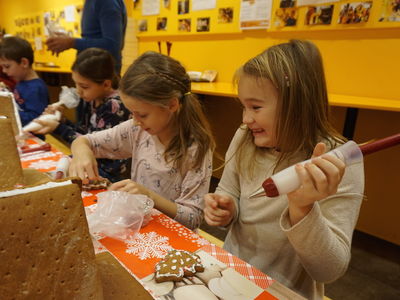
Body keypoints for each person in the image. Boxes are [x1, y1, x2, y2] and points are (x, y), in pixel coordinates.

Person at [203, 40, 364, 300]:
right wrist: (227, 206)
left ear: (297, 105)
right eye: (243, 107)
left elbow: (328, 270)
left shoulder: (340, 161)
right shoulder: (245, 136)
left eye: (255, 107)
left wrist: (302, 210)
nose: (245, 119)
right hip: (231, 275)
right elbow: (229, 190)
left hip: (285, 291)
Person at [69, 51, 215, 230]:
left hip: (173, 236)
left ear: (172, 105)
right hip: (140, 226)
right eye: (132, 113)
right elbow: (84, 141)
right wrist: (81, 153)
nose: (136, 121)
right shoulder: (137, 129)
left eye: (143, 114)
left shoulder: (196, 148)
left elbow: (193, 218)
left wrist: (149, 196)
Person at [32, 48, 131, 182]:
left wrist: (58, 128)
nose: (78, 91)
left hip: (110, 174)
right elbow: (84, 132)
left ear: (106, 84)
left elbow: (93, 145)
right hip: (94, 165)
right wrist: (62, 120)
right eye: (76, 84)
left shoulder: (115, 106)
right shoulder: (92, 99)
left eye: (84, 86)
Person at [46, 0, 126, 74]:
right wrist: (68, 42)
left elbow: (112, 45)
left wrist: (72, 42)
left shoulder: (105, 2)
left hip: (101, 76)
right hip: (91, 75)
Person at [0, 36, 48, 127]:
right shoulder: (21, 82)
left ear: (24, 63)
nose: (4, 71)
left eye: (7, 66)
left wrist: (8, 111)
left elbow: (36, 118)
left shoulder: (35, 88)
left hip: (32, 136)